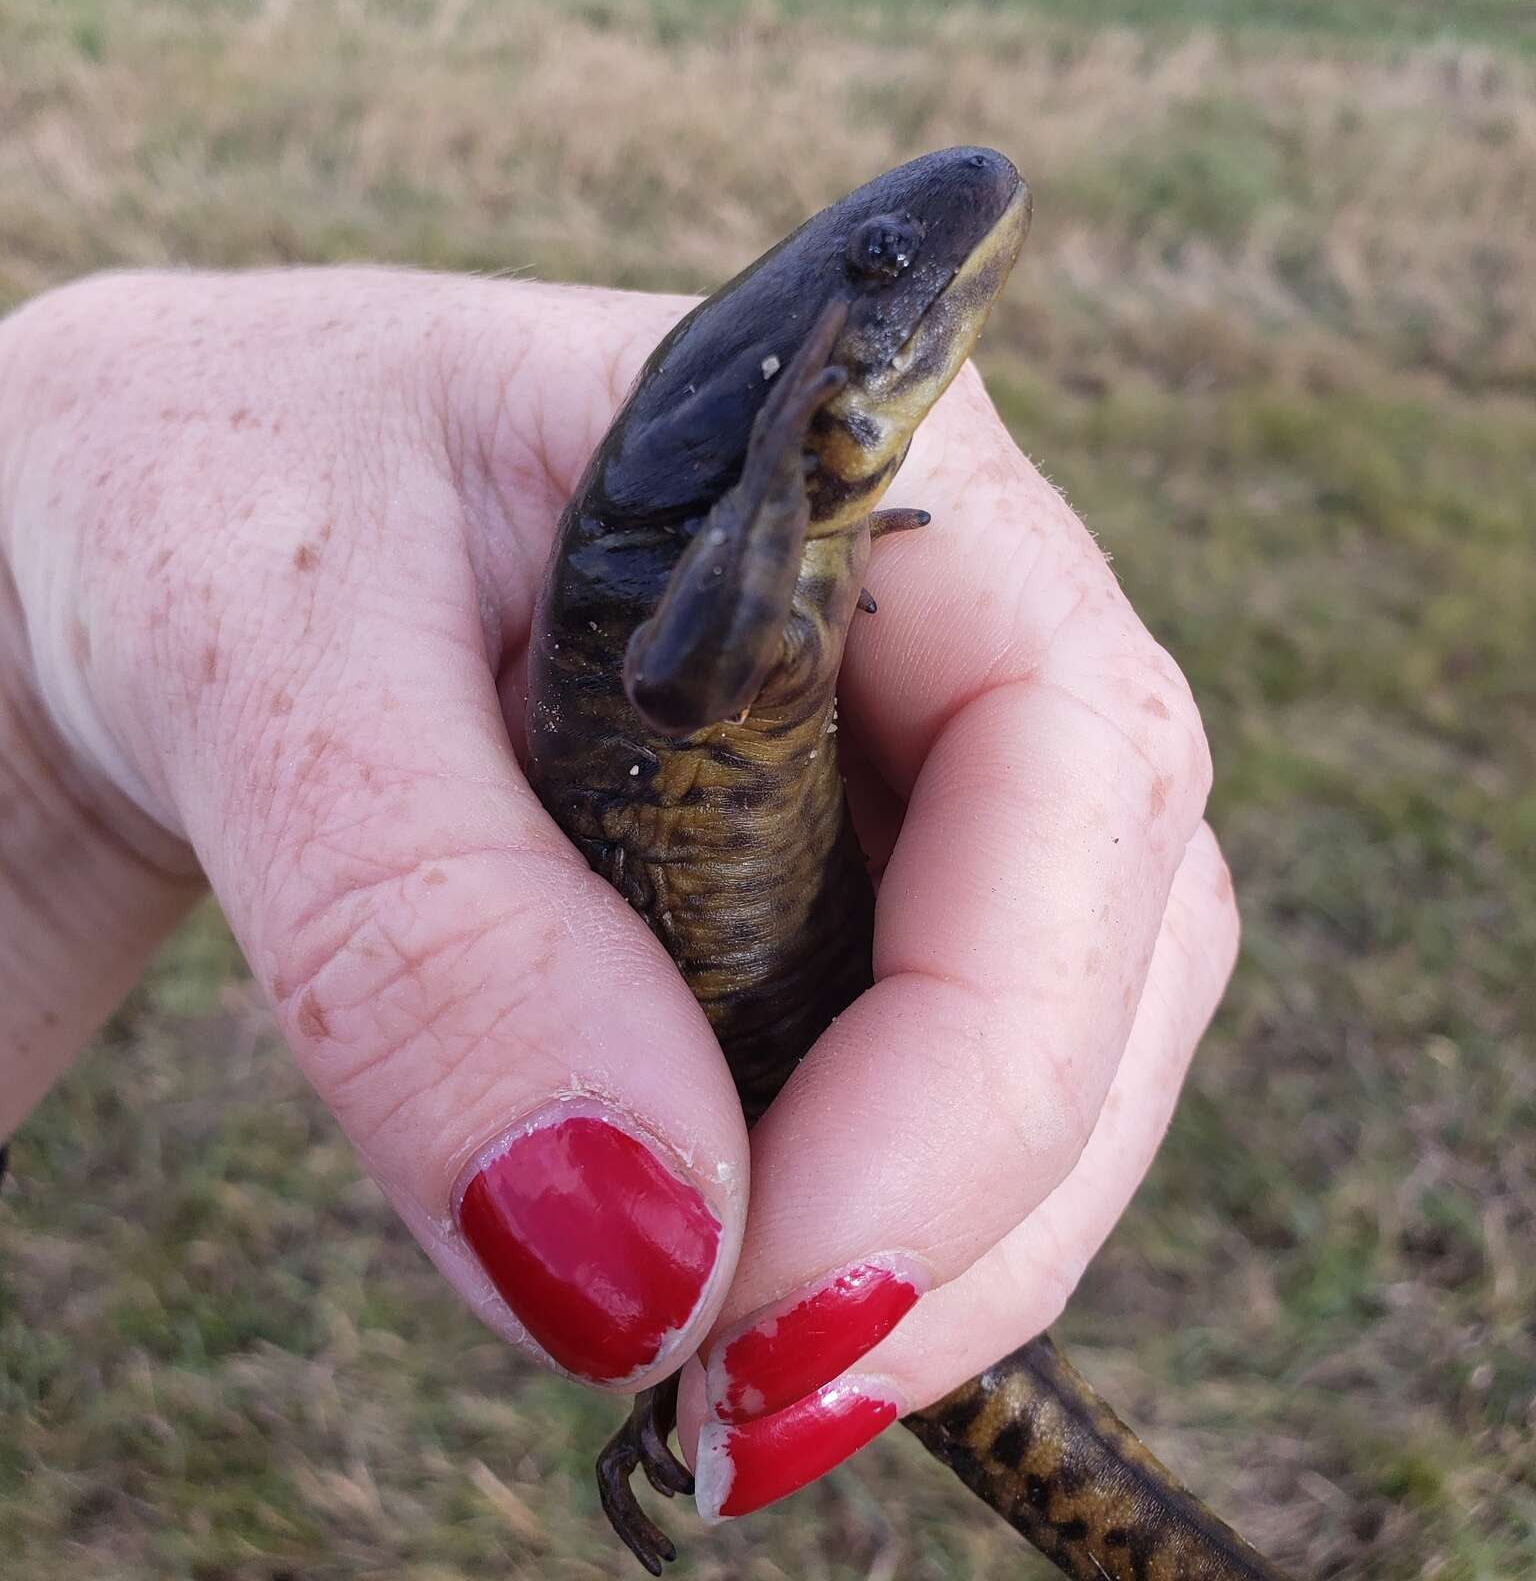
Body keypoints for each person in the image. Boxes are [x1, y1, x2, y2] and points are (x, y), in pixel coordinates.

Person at [0, 266, 1237, 1511]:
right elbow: (688, 665)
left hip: (800, 1029)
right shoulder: (733, 575)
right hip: (777, 1057)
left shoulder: (766, 559)